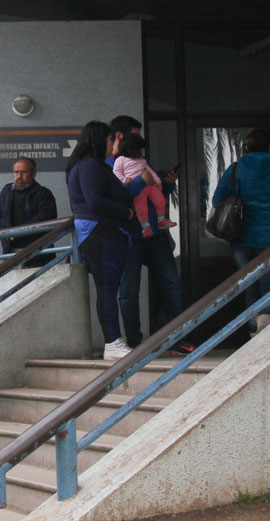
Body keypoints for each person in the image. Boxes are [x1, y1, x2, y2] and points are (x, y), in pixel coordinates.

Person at [108, 116, 190, 354]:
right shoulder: (111, 164)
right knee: (129, 291)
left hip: (155, 233)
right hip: (129, 235)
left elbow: (155, 186)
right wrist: (139, 182)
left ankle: (175, 338)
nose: (141, 142)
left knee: (171, 284)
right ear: (122, 137)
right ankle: (134, 343)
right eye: (136, 134)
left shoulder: (142, 160)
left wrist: (168, 184)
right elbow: (118, 194)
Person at [66, 121, 135, 361]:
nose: (113, 144)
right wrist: (125, 212)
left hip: (101, 231)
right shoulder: (89, 166)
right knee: (107, 289)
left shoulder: (89, 166)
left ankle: (114, 341)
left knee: (108, 288)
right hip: (100, 231)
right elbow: (95, 201)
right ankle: (113, 342)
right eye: (109, 140)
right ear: (98, 140)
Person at [212, 128, 270, 335]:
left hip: (242, 237)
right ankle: (266, 324)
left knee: (250, 283)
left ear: (246, 148)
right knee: (269, 283)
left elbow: (216, 199)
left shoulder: (236, 169)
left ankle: (252, 328)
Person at [0, 157, 58, 267]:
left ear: (34, 173)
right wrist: (7, 234)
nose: (19, 176)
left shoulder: (43, 194)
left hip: (37, 253)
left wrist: (18, 232)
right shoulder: (6, 192)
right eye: (16, 172)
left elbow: (46, 218)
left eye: (23, 172)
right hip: (11, 252)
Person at [112, 134, 175, 238]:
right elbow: (116, 172)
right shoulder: (120, 160)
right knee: (141, 207)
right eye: (140, 149)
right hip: (137, 189)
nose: (142, 151)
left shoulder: (143, 160)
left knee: (160, 200)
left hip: (149, 187)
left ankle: (161, 220)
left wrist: (158, 182)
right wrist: (124, 180)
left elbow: (150, 172)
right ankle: (146, 227)